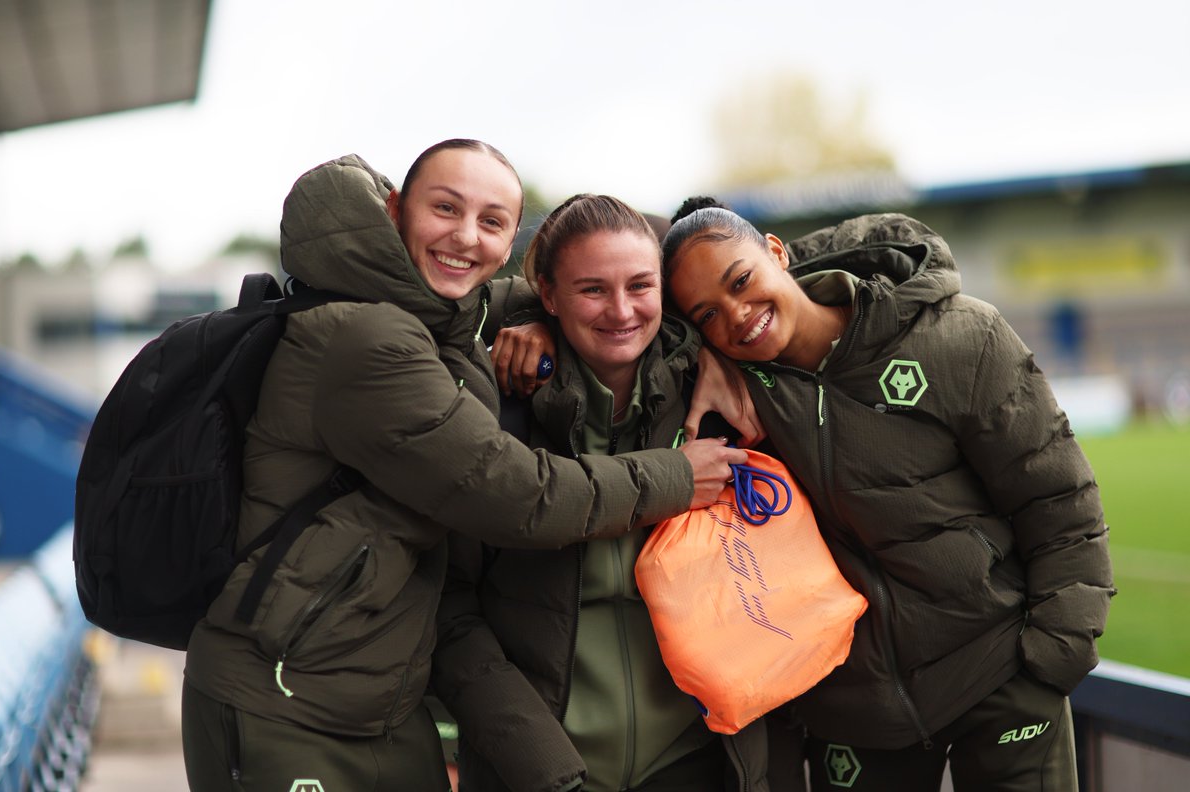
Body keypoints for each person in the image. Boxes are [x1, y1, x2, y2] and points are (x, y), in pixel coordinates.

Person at [179, 143, 747, 792]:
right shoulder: (371, 340)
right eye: (445, 209)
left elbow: (518, 294)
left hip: (382, 702)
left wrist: (715, 340)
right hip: (284, 691)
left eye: (492, 220)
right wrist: (679, 474)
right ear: (397, 215)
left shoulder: (432, 319)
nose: (466, 237)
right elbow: (522, 498)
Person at [662, 200, 1115, 792]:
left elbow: (1059, 502)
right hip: (854, 715)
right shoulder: (734, 391)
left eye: (741, 281)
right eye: (708, 316)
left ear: (777, 252)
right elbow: (608, 311)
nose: (738, 316)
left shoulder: (959, 336)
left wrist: (1053, 661)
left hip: (1001, 677)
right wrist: (529, 324)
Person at [430, 194, 778, 792]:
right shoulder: (493, 414)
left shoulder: (721, 399)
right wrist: (534, 758)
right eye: (592, 290)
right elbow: (447, 607)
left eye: (640, 285)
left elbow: (793, 283)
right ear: (547, 294)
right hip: (540, 771)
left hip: (698, 763)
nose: (621, 311)